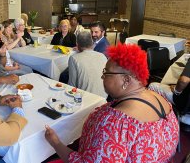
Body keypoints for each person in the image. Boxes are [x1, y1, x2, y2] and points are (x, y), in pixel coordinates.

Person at [45, 43, 179, 162]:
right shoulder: (162, 99)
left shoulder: (114, 123)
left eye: (107, 73)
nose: (102, 76)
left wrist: (56, 143)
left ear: (126, 80)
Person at [149, 59, 190, 126]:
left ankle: (155, 121)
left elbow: (184, 81)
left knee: (152, 85)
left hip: (185, 103)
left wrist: (176, 91)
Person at [68, 31, 107, 98]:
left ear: (77, 44)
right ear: (92, 43)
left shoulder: (74, 58)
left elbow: (72, 85)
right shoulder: (102, 56)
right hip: (104, 97)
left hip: (85, 99)